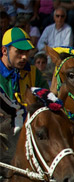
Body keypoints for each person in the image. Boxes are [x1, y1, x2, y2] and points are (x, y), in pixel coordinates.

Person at [0, 27, 49, 161]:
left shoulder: (33, 73)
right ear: (4, 50)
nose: (24, 57)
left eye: (27, 53)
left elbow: (47, 102)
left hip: (30, 135)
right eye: (19, 52)